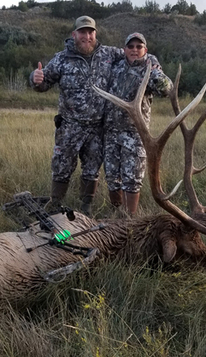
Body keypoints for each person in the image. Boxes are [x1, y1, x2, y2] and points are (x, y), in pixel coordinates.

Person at [30, 16, 124, 216]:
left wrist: (153, 62)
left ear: (95, 34)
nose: (87, 36)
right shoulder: (62, 59)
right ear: (74, 35)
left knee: (92, 169)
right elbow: (43, 82)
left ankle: (86, 209)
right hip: (70, 126)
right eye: (82, 32)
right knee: (62, 167)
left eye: (90, 32)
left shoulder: (109, 54)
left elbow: (136, 55)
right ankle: (55, 205)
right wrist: (35, 79)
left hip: (97, 127)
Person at [103, 32, 173, 216]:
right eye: (131, 46)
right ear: (124, 49)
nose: (134, 50)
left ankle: (129, 221)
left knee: (132, 180)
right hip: (111, 132)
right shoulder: (116, 67)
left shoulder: (150, 70)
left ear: (145, 50)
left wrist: (155, 71)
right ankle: (117, 217)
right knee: (112, 178)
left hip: (135, 134)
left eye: (139, 47)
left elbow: (166, 89)